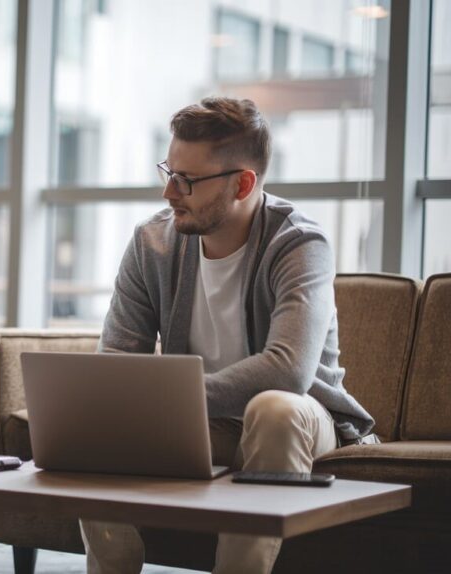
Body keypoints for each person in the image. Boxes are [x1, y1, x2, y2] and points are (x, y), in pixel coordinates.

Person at [80, 97, 375, 574]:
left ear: (243, 183)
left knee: (273, 406)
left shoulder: (299, 243)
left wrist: (168, 397)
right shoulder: (152, 243)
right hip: (204, 425)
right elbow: (116, 358)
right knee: (96, 414)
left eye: (187, 181)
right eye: (168, 172)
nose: (169, 193)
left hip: (301, 424)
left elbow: (289, 370)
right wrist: (121, 398)